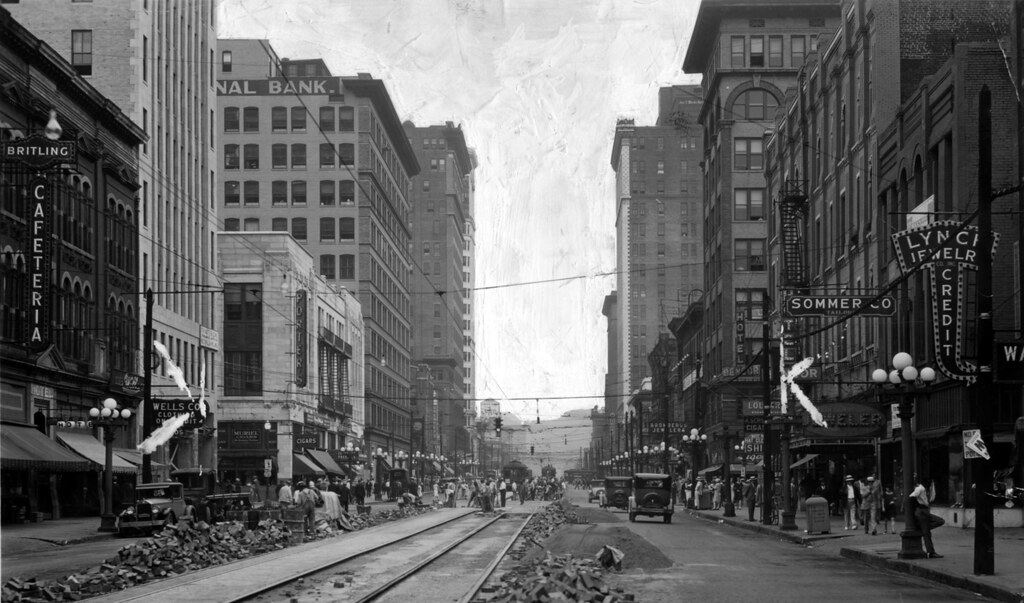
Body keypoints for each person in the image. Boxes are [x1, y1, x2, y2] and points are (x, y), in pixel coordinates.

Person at [910, 477, 944, 558]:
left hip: (925, 511)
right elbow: (911, 496)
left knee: (940, 521)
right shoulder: (920, 488)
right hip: (922, 511)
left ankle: (924, 529)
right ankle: (931, 552)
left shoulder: (924, 489)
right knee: (927, 534)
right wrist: (917, 506)